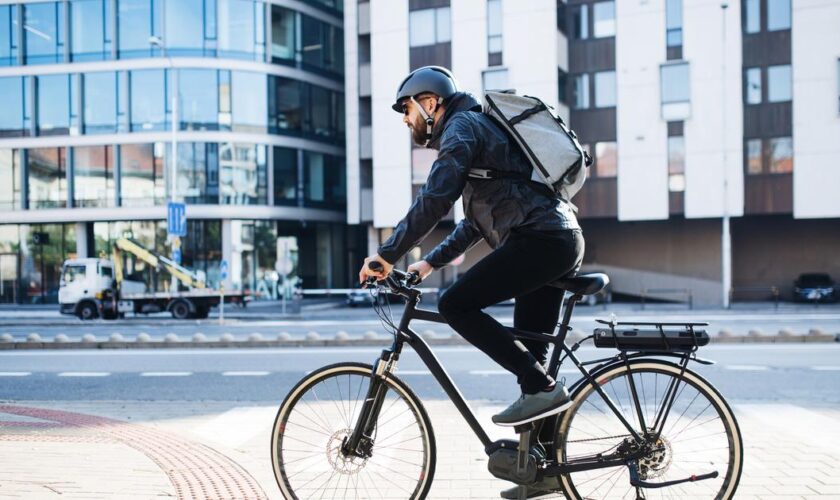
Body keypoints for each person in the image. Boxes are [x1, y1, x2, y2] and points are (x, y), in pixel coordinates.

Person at [358, 66, 584, 498]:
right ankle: (542, 471)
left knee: (455, 305)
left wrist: (386, 254)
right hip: (554, 238)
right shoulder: (476, 130)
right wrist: (425, 266)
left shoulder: (461, 128)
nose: (406, 120)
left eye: (406, 109)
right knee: (532, 362)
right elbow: (474, 224)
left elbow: (435, 197)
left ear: (430, 103)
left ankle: (542, 390)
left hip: (542, 240)